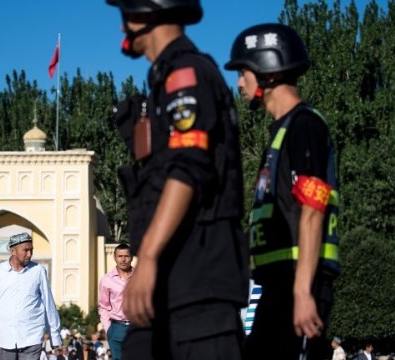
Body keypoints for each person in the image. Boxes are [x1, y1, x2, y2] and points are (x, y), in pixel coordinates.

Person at [105, 0, 249, 359]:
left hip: (201, 281)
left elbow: (188, 167)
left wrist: (148, 257)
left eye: (126, 16)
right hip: (172, 280)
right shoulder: (166, 81)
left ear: (146, 13)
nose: (122, 29)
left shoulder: (187, 73)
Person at [225, 23, 341, 360]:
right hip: (278, 287)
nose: (240, 83)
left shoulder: (304, 126)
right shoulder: (281, 134)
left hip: (298, 285)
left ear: (268, 71)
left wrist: (303, 291)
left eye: (243, 71)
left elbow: (312, 208)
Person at [0, 232, 61, 360]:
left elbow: (49, 304)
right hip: (3, 339)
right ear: (13, 251)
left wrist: (54, 335)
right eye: (25, 250)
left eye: (31, 250)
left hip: (32, 337)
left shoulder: (38, 271)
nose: (29, 254)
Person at [97, 243, 132, 360]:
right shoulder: (107, 280)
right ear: (114, 258)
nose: (123, 259)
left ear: (131, 257)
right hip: (116, 328)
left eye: (126, 256)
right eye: (120, 256)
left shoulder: (140, 277)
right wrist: (108, 329)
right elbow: (103, 306)